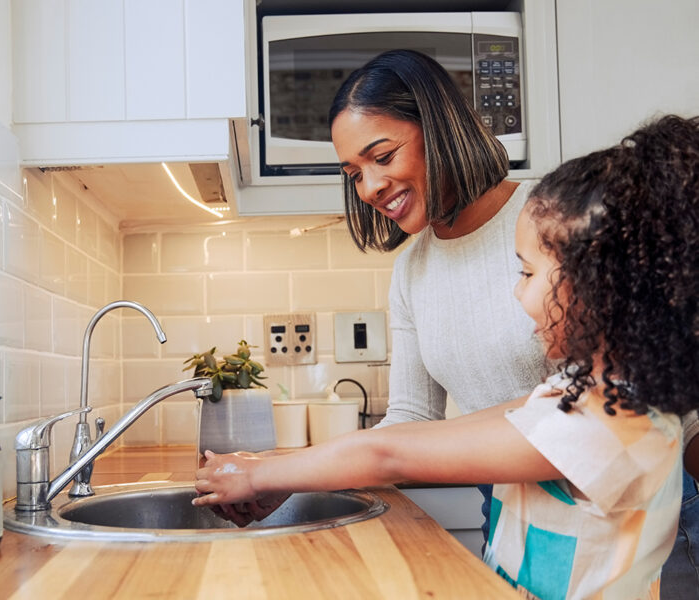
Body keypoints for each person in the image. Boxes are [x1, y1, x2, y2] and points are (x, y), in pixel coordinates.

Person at [209, 50, 698, 597]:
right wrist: (298, 478)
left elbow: (391, 450)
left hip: (626, 504)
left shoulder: (553, 220)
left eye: (382, 155)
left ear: (436, 130)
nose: (368, 187)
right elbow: (415, 424)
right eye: (354, 173)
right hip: (518, 501)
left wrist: (272, 471)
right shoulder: (413, 270)